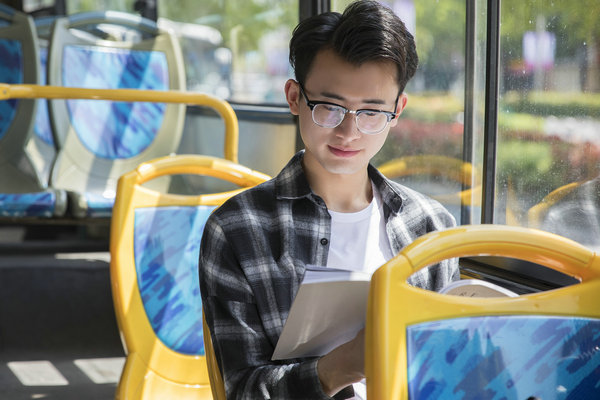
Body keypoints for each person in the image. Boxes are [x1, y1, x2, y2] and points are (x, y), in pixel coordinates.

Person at [199, 1, 459, 398]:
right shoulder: (238, 229)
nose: (349, 132)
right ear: (293, 97)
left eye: (372, 112)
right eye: (329, 107)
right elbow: (242, 390)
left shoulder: (431, 225)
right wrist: (342, 367)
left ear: (397, 109)